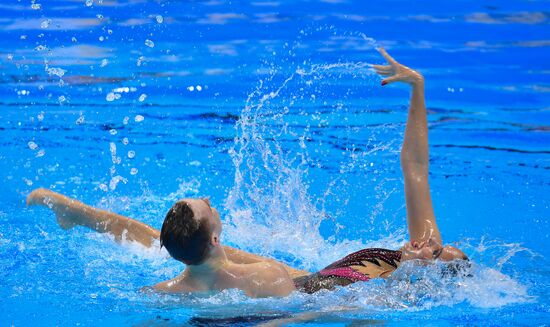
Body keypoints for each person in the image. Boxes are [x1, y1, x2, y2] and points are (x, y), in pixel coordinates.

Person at [26, 48, 468, 297]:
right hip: (315, 282)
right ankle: (76, 213)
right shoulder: (414, 257)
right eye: (446, 251)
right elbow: (414, 167)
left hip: (289, 284)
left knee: (154, 241)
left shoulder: (162, 291)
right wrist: (419, 88)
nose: (435, 248)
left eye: (443, 255)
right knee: (154, 240)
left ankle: (76, 213)